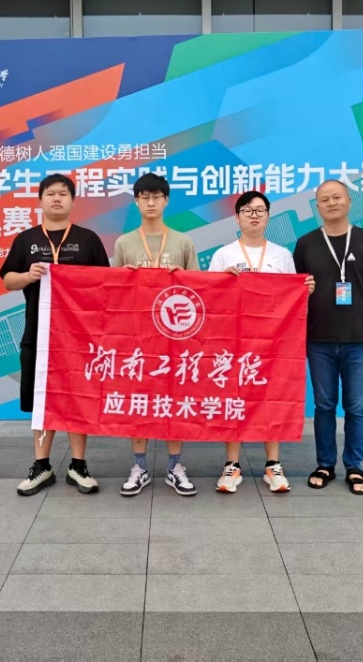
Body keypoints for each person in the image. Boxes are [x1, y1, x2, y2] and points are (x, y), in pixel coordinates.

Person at [0, 173, 111, 496]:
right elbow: (7, 280)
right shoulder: (26, 240)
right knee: (40, 399)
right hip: (38, 334)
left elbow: (106, 284)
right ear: (41, 200)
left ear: (73, 201)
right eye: (51, 193)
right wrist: (27, 275)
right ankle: (42, 465)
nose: (57, 198)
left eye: (63, 193)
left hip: (79, 337)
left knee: (77, 398)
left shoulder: (88, 239)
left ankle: (78, 464)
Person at [208, 190, 315, 494]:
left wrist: (304, 290)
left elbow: (294, 300)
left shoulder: (282, 255)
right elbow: (209, 297)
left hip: (273, 341)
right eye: (247, 210)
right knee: (234, 398)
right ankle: (232, 465)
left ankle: (273, 465)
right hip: (234, 341)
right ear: (237, 217)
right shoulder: (223, 255)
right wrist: (221, 280)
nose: (253, 216)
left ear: (268, 216)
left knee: (273, 396)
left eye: (259, 210)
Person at [292, 179, 363, 496]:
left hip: (359, 339)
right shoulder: (305, 243)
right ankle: (324, 464)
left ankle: (354, 466)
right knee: (324, 405)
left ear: (349, 201)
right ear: (317, 207)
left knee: (356, 406)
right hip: (318, 339)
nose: (331, 203)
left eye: (336, 197)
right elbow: (293, 291)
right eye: (324, 199)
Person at [113, 172, 200, 497]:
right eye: (144, 197)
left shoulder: (182, 241)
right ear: (136, 201)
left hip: (175, 338)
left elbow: (199, 291)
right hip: (137, 339)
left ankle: (175, 466)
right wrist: (122, 277)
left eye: (156, 196)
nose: (150, 202)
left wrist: (184, 278)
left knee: (174, 401)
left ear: (166, 200)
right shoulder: (124, 243)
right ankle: (140, 466)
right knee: (139, 401)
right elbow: (113, 294)